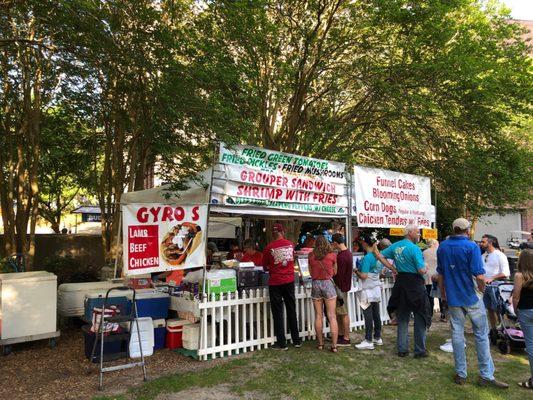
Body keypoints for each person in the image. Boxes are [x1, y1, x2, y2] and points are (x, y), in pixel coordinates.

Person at [437, 218, 508, 388]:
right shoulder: (471, 247)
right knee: (481, 335)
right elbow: (480, 275)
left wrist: (443, 294)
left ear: (454, 229)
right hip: (471, 297)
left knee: (457, 334)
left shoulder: (443, 246)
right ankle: (486, 375)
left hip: (454, 297)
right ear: (467, 230)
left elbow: (441, 274)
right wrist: (482, 290)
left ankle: (461, 373)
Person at [373, 225, 431, 358]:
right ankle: (419, 350)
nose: (419, 235)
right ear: (410, 233)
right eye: (417, 232)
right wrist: (426, 267)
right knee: (420, 317)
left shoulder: (396, 246)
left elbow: (379, 256)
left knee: (403, 317)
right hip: (415, 284)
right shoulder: (414, 248)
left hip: (401, 283)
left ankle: (402, 349)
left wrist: (392, 268)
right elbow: (421, 270)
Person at [263, 223, 301, 350]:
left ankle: (282, 343)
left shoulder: (269, 247)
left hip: (275, 282)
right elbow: (293, 259)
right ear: (282, 232)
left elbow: (264, 266)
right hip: (289, 281)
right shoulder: (291, 245)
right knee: (291, 309)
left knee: (277, 312)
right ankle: (296, 340)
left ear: (274, 234)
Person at [355, 236, 396, 350]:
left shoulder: (368, 257)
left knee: (368, 314)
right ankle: (377, 337)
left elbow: (364, 275)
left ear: (364, 244)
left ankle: (368, 339)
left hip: (367, 289)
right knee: (376, 313)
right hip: (376, 288)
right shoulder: (378, 256)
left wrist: (356, 271)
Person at [308, 235, 339, 352]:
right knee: (332, 316)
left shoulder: (311, 255)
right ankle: (334, 346)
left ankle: (320, 344)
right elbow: (335, 272)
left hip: (316, 284)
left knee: (318, 316)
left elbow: (311, 273)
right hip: (328, 284)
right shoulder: (332, 255)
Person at [480, 234, 510, 334]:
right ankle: (493, 330)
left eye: (483, 242)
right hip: (485, 287)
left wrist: (491, 278)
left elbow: (506, 273)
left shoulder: (500, 255)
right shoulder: (483, 255)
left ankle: (503, 328)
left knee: (499, 309)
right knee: (489, 309)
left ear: (490, 243)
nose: (481, 243)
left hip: (497, 286)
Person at [512, 249, 533, 390]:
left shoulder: (519, 276)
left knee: (531, 345)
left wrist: (515, 311)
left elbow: (516, 297)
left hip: (525, 310)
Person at [331, 233, 353, 346]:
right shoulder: (348, 253)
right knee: (340, 312)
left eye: (332, 243)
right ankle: (340, 334)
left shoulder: (341, 256)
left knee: (343, 313)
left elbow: (339, 274)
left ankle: (346, 337)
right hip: (344, 286)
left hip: (340, 288)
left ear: (335, 242)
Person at [423, 239, 439, 316]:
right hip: (437, 275)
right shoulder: (439, 251)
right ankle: (443, 314)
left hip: (427, 275)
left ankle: (430, 313)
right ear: (434, 243)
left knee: (430, 295)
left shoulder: (424, 252)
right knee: (440, 295)